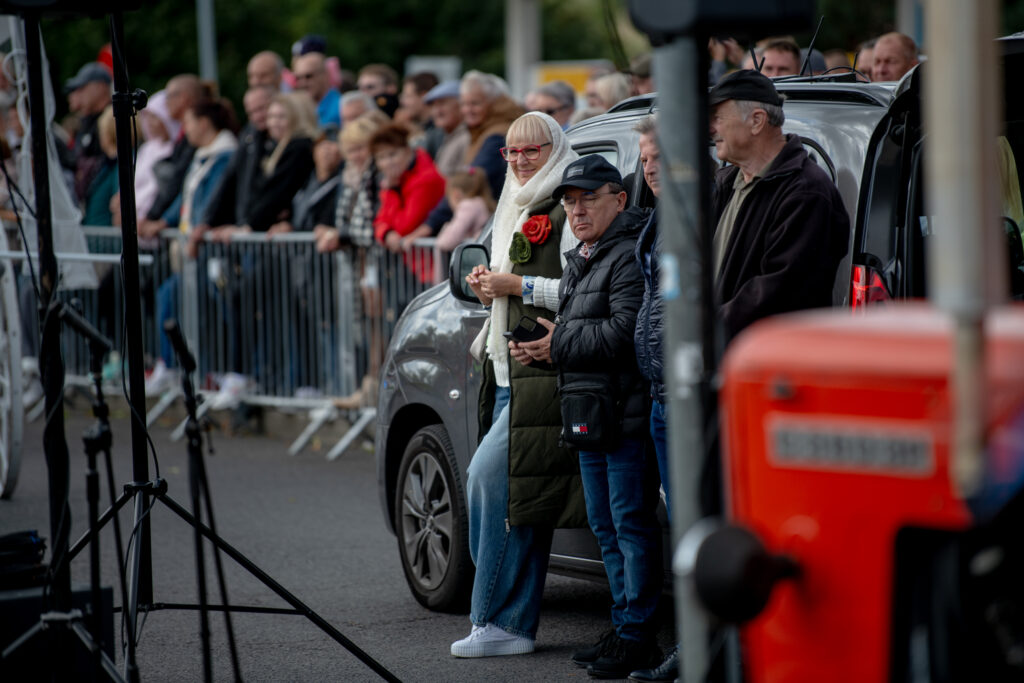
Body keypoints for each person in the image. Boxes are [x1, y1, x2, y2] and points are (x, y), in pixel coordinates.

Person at [449, 111, 582, 659]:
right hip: (509, 376)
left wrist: (515, 284)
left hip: (545, 373)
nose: (521, 160)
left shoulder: (568, 199)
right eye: (511, 152)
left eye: (532, 150)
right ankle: (510, 626)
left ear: (554, 148)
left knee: (491, 481)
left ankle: (498, 620)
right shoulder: (513, 203)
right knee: (513, 497)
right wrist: (490, 296)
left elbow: (581, 286)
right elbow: (515, 288)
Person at [543, 155, 662, 679]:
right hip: (592, 409)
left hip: (624, 414)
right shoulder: (585, 255)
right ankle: (623, 628)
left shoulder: (628, 252)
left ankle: (638, 636)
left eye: (588, 198)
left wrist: (556, 343)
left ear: (620, 197)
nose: (577, 209)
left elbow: (622, 332)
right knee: (606, 527)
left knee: (629, 526)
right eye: (570, 201)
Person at [708, 69, 850, 347]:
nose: (711, 128)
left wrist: (706, 328)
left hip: (772, 368)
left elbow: (780, 293)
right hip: (730, 361)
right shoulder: (728, 183)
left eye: (717, 118)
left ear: (757, 121)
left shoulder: (806, 192)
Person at [628, 115, 681, 683]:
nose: (650, 170)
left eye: (659, 158)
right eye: (644, 160)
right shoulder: (662, 213)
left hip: (685, 390)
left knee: (691, 525)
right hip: (659, 389)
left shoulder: (697, 210)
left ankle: (696, 650)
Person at [146, 98, 238, 394]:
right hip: (191, 249)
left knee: (203, 308)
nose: (184, 129)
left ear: (204, 122)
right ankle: (174, 366)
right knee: (171, 298)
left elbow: (211, 200)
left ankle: (206, 371)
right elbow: (185, 201)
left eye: (188, 122)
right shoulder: (202, 155)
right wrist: (161, 221)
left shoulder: (224, 154)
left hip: (209, 250)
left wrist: (198, 230)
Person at [196, 85, 276, 236]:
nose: (257, 117)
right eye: (251, 112)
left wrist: (249, 225)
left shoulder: (288, 142)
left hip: (265, 230)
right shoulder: (249, 137)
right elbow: (228, 179)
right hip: (247, 227)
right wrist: (207, 221)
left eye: (261, 109)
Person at [64, 61, 112, 204]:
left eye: (82, 88)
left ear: (100, 87)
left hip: (106, 204)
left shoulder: (114, 119)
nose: (78, 94)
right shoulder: (86, 122)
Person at [133, 90, 180, 227]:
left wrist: (146, 217)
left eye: (155, 116)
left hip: (150, 224)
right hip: (137, 222)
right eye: (147, 117)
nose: (150, 122)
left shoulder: (175, 150)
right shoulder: (146, 149)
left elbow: (159, 189)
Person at [434, 167, 494, 253]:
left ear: (456, 194)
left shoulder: (467, 206)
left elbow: (448, 241)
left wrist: (444, 232)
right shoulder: (482, 203)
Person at [422, 80, 469, 177]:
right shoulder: (449, 136)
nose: (436, 111)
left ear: (461, 105)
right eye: (433, 106)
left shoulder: (466, 138)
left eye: (442, 104)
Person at [293, 52, 340, 130]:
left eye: (308, 76)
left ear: (325, 75)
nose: (302, 83)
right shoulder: (296, 110)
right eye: (298, 78)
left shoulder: (341, 108)